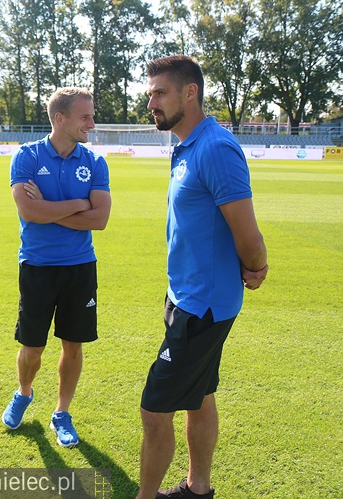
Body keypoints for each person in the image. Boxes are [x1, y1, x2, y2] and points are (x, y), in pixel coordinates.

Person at [134, 55, 268, 499]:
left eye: (160, 92)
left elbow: (246, 231)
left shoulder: (215, 147)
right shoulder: (185, 144)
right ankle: (199, 488)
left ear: (190, 92)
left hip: (202, 306)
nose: (150, 101)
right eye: (150, 92)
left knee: (155, 412)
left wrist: (256, 266)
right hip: (185, 296)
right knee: (199, 395)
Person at [2, 87, 112, 447]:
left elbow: (100, 220)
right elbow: (29, 212)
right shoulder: (28, 157)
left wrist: (53, 208)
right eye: (85, 117)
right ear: (59, 118)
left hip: (80, 267)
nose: (92, 124)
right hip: (38, 266)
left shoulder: (95, 162)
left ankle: (62, 413)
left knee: (73, 346)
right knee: (32, 348)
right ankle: (24, 392)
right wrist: (79, 203)